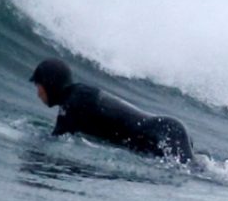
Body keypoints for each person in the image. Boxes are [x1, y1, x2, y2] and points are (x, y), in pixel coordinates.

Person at [30, 57, 192, 163]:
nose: (38, 93)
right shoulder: (79, 95)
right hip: (166, 131)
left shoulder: (72, 104)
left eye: (39, 86)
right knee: (200, 171)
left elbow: (56, 140)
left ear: (50, 84)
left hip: (163, 134)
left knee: (198, 177)